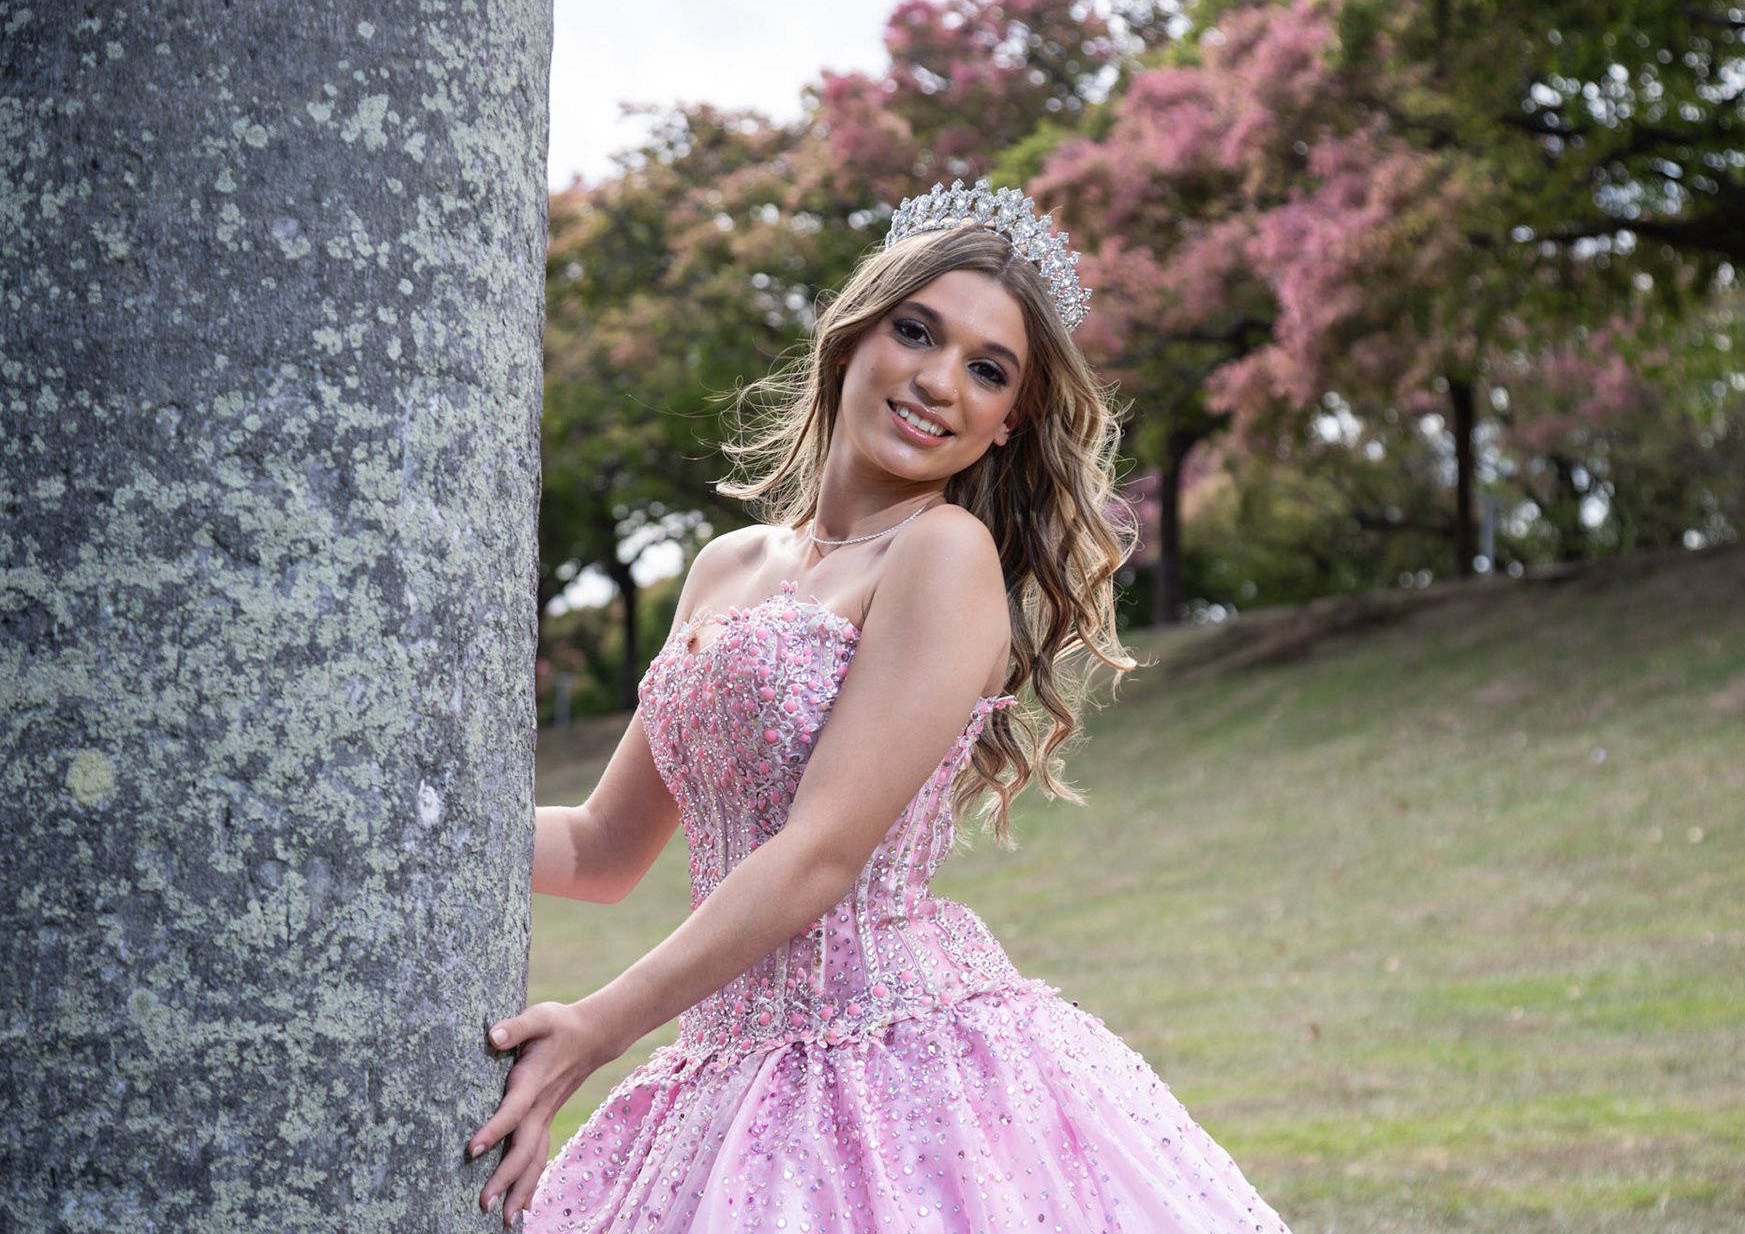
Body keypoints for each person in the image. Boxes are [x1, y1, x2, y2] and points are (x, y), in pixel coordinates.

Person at [469, 181, 1289, 1233]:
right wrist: (420, 830)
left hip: (897, 1069)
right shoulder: (726, 565)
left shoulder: (943, 552)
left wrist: (597, 1025)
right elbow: (601, 849)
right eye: (917, 331)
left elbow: (820, 855)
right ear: (854, 335)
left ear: (1008, 422)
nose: (940, 380)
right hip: (725, 1069)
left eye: (988, 370)